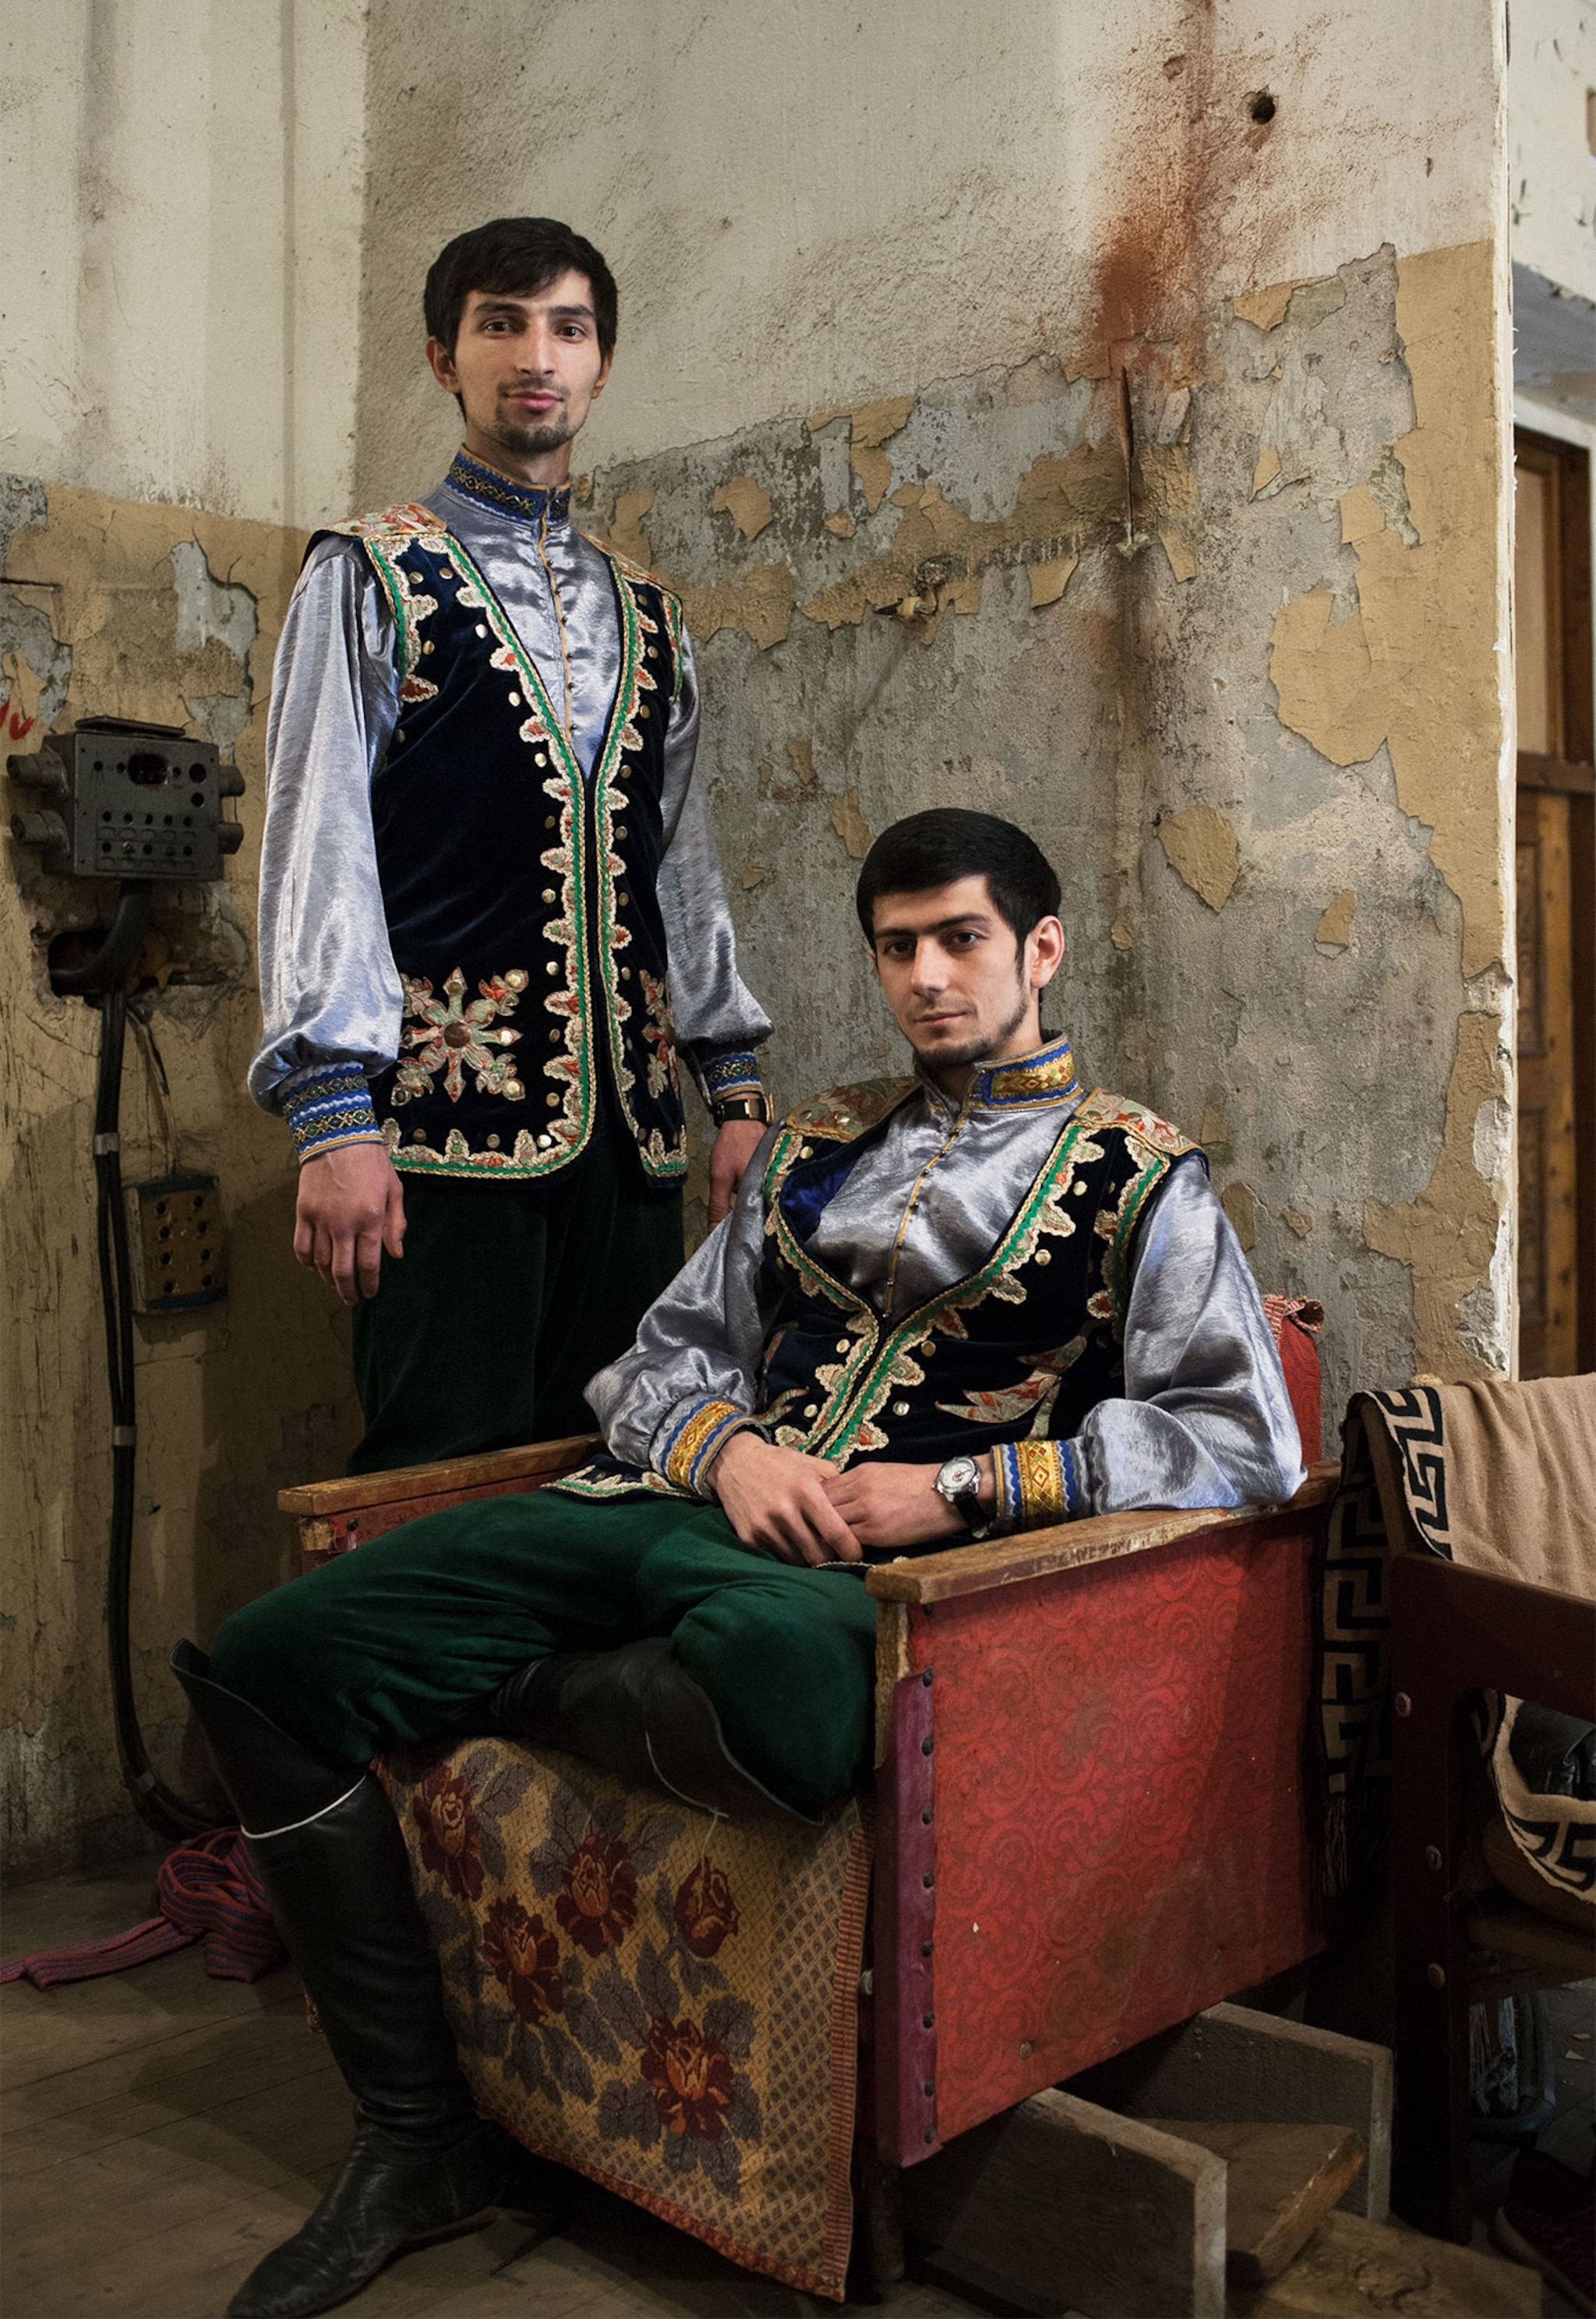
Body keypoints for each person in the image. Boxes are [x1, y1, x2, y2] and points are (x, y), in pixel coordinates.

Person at [177, 809, 1302, 2319]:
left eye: (960, 940)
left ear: (1039, 951)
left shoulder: (1137, 1173)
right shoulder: (819, 1148)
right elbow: (655, 1369)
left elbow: (1243, 1440)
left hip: (853, 1581)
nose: (925, 978)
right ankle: (416, 2133)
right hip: (665, 1508)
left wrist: (959, 1494)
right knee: (259, 1668)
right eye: (896, 948)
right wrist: (732, 1454)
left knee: (780, 1681)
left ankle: (515, 1680)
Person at [252, 216, 772, 1472]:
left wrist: (738, 1095)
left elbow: (679, 864)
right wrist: (334, 1117)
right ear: (444, 357)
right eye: (502, 323)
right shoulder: (369, 574)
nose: (536, 355)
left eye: (568, 328)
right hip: (437, 1134)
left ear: (601, 365)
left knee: (618, 1467)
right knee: (441, 1474)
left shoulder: (650, 613)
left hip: (633, 1144)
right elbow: (316, 844)